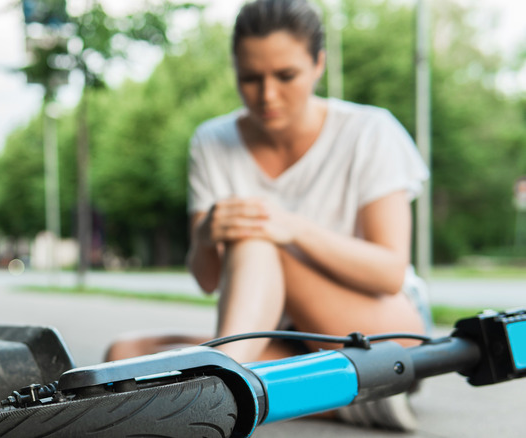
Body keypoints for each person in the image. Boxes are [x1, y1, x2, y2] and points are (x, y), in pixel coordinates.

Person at [105, 0, 431, 431]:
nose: (267, 95)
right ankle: (306, 393)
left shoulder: (371, 130)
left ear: (319, 64)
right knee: (122, 357)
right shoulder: (212, 141)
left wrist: (290, 228)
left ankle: (220, 385)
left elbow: (389, 271)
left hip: (379, 329)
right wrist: (204, 236)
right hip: (280, 332)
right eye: (250, 78)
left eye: (286, 76)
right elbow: (207, 280)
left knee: (257, 233)